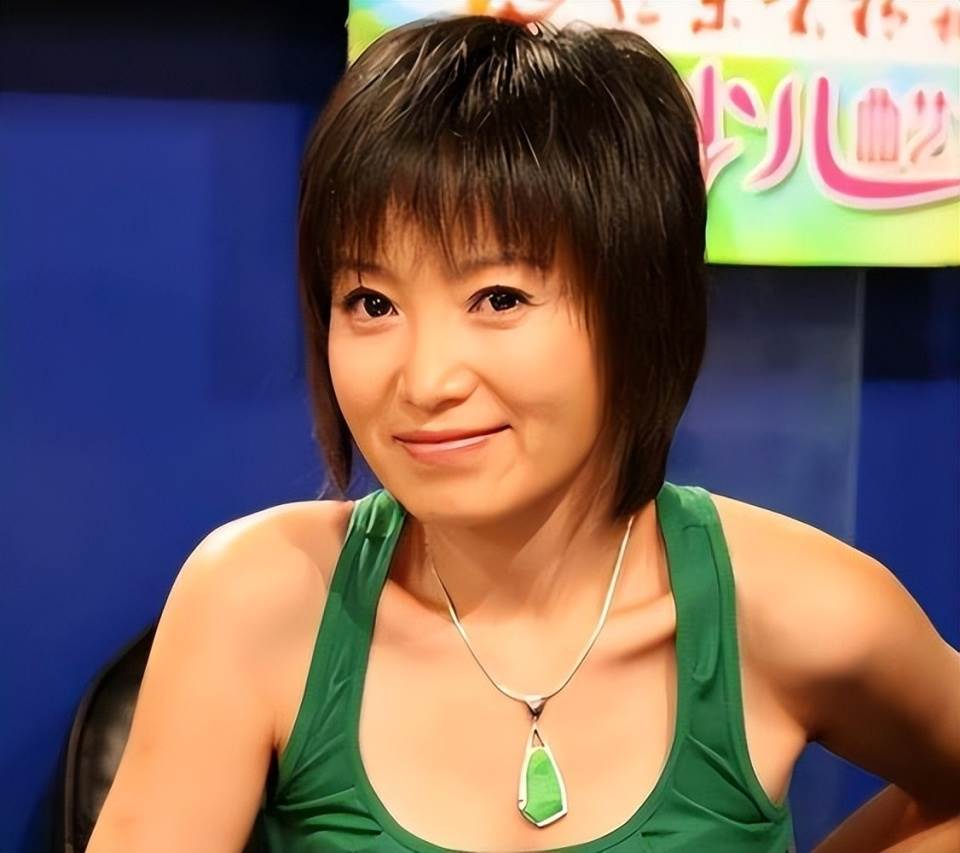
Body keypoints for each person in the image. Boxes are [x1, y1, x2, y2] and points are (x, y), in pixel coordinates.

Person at [88, 14, 959, 853]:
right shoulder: (257, 599)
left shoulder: (798, 609)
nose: (426, 381)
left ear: (638, 309)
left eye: (498, 298)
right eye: (372, 302)